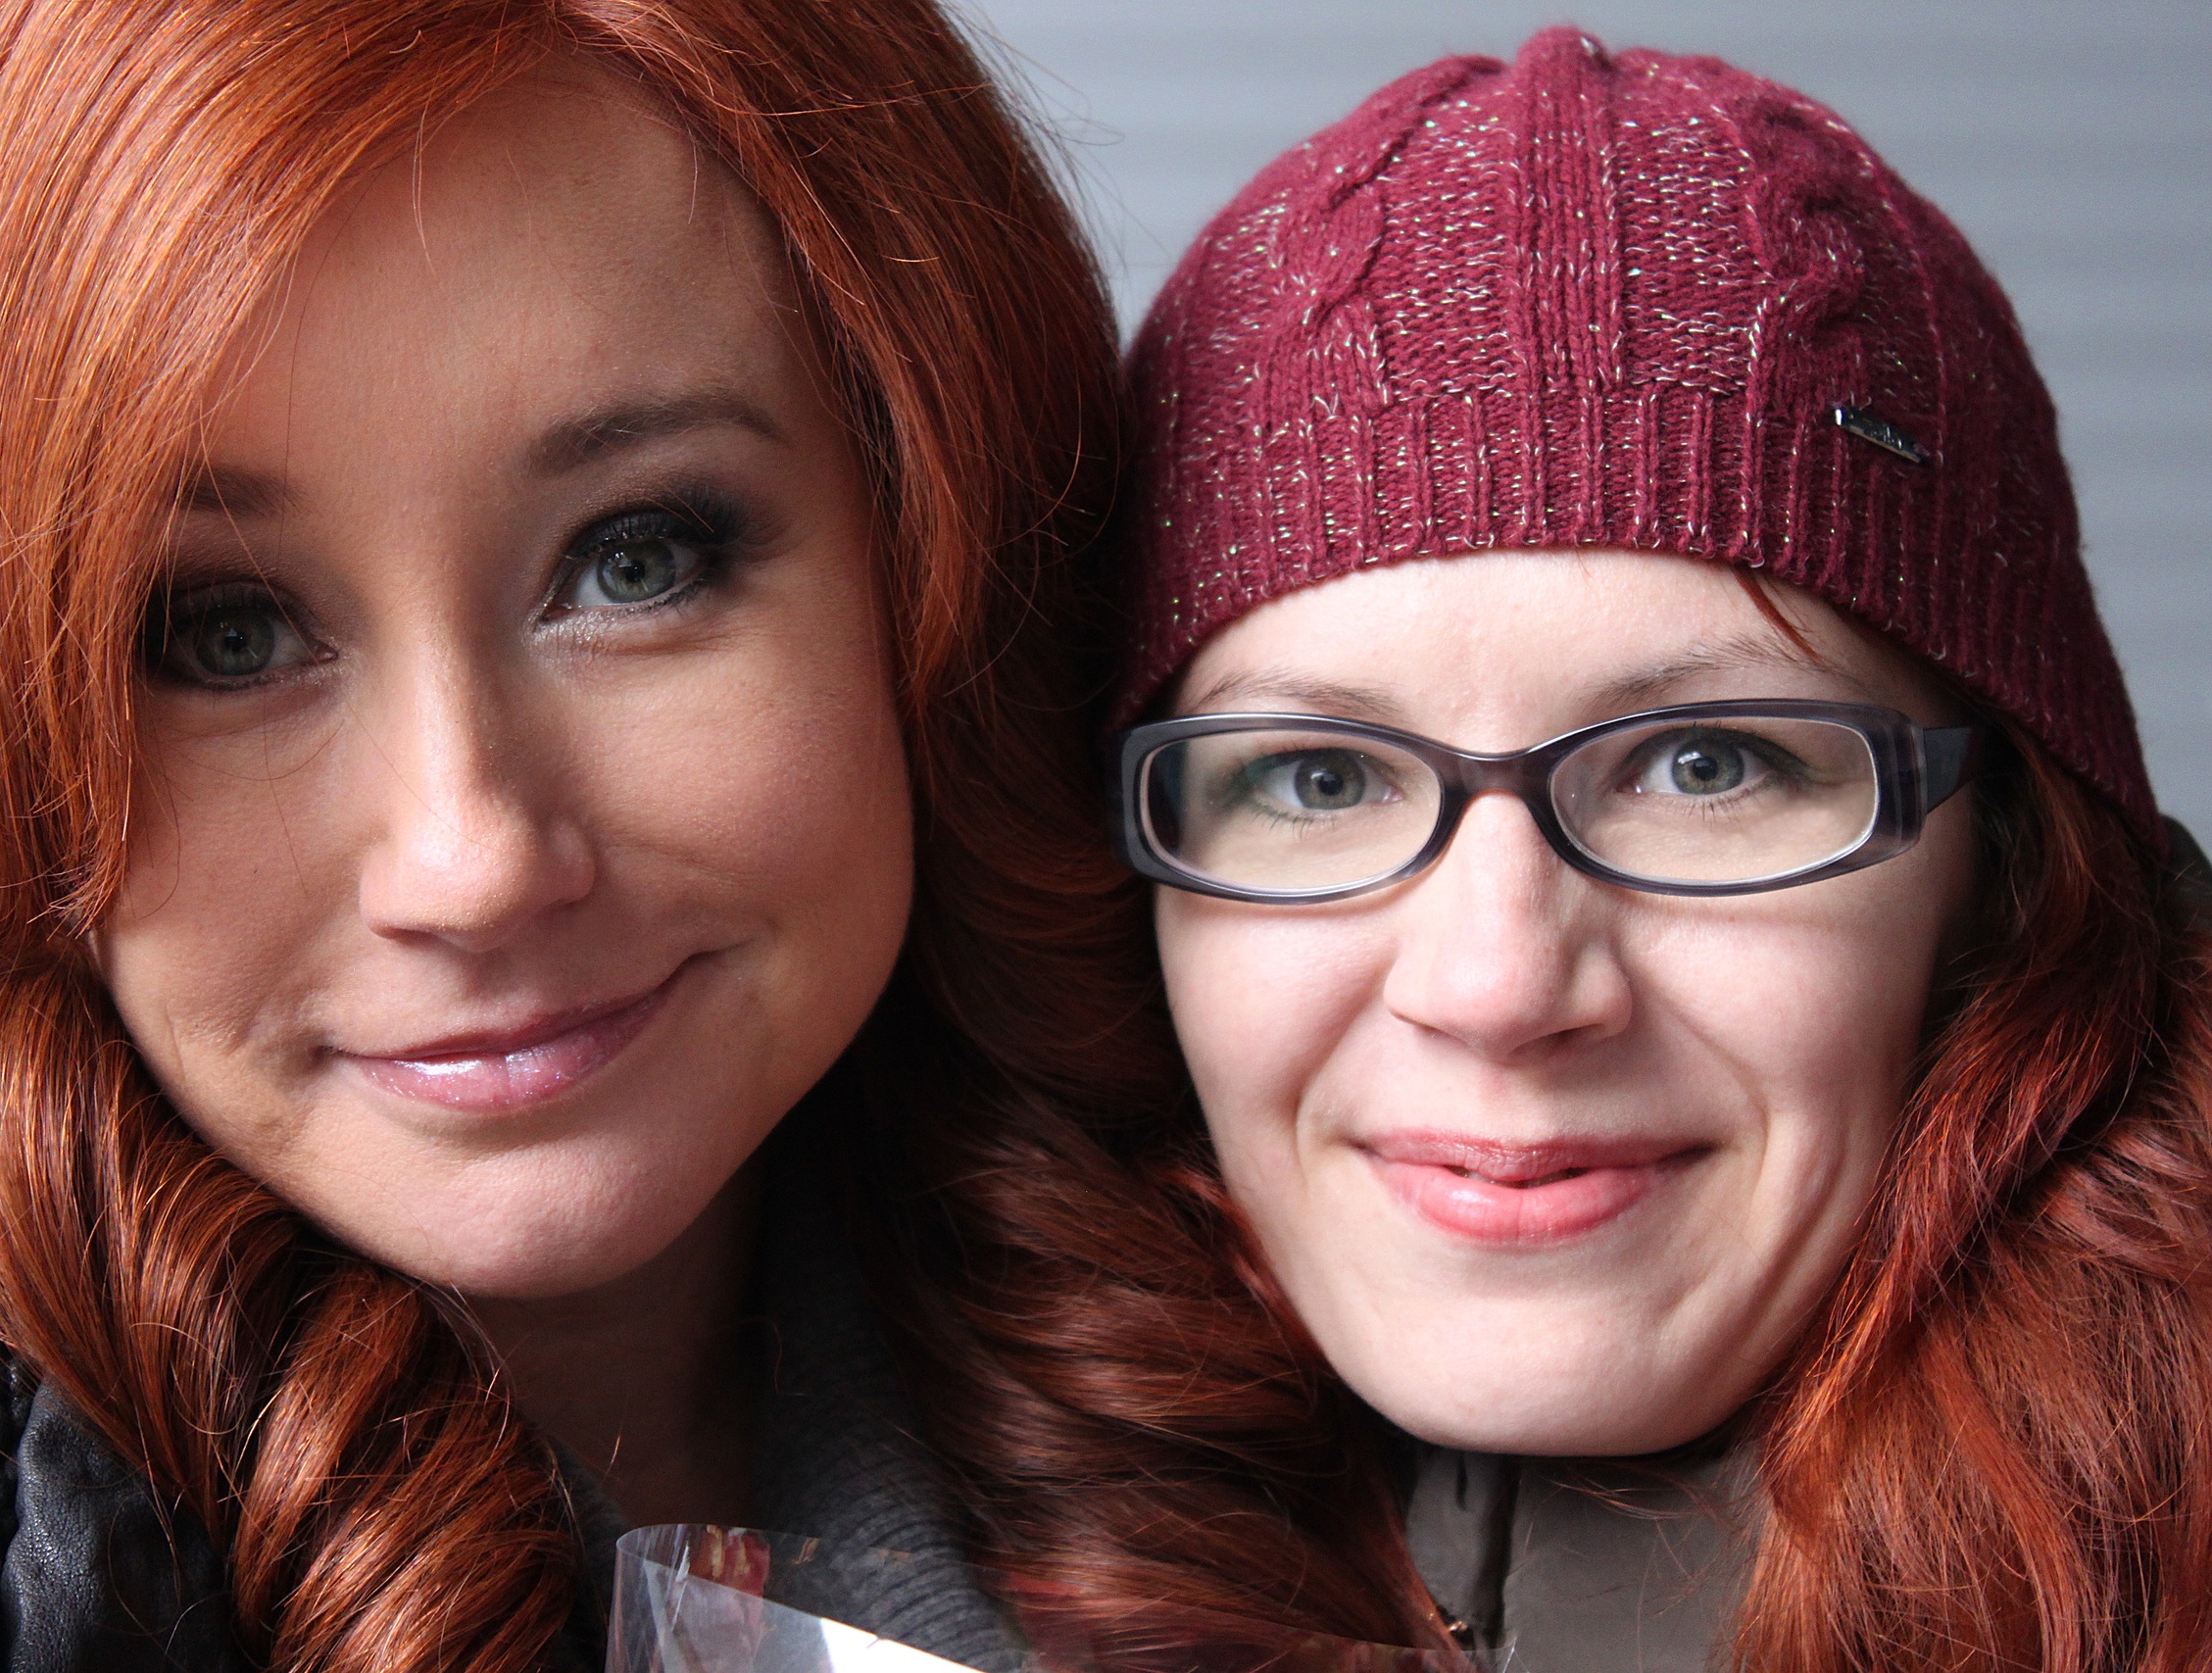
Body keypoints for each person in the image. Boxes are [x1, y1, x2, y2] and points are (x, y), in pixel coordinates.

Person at [0, 2, 1162, 1669]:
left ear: (941, 555)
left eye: (635, 558)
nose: (473, 862)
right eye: (224, 635)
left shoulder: (1347, 1407)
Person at [906, 29, 2212, 1673]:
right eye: (1317, 777)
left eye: (1705, 765)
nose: (1501, 986)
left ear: (2003, 870)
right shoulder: (845, 1528)